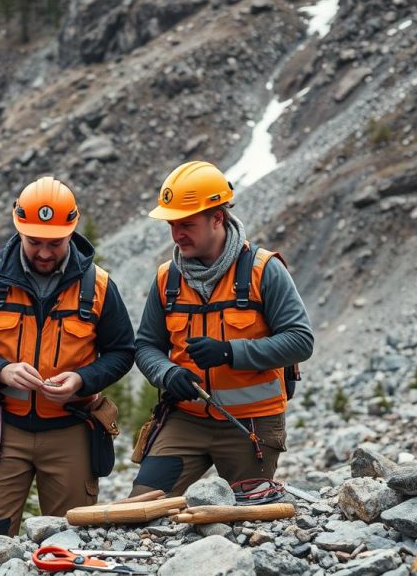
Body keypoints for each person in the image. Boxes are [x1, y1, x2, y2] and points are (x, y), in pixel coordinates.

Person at [0, 177, 135, 549]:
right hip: (3, 431)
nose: (45, 252)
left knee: (69, 542)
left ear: (72, 231)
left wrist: (82, 380)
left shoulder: (98, 286)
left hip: (71, 431)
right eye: (35, 241)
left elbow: (122, 352)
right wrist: (0, 370)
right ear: (18, 228)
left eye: (55, 243)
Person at [129, 161, 314, 498]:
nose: (177, 235)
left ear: (218, 217)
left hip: (250, 424)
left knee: (247, 517)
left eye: (187, 224)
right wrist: (167, 373)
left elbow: (300, 341)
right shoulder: (166, 278)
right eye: (172, 225)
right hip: (185, 419)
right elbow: (145, 346)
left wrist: (231, 352)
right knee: (143, 508)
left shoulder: (263, 270)